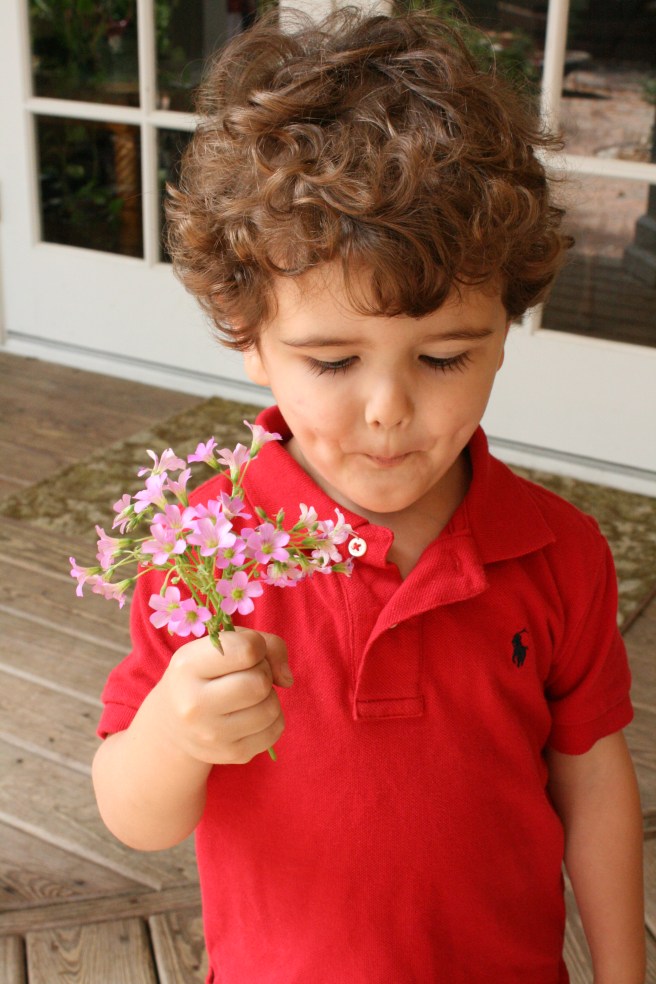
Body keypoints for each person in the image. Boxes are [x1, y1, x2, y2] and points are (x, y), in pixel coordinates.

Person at [92, 8, 645, 983]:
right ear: (248, 337)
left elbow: (590, 775)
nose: (388, 411)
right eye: (332, 359)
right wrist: (175, 733)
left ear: (505, 330)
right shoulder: (203, 554)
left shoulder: (557, 553)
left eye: (442, 356)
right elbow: (137, 820)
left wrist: (620, 966)